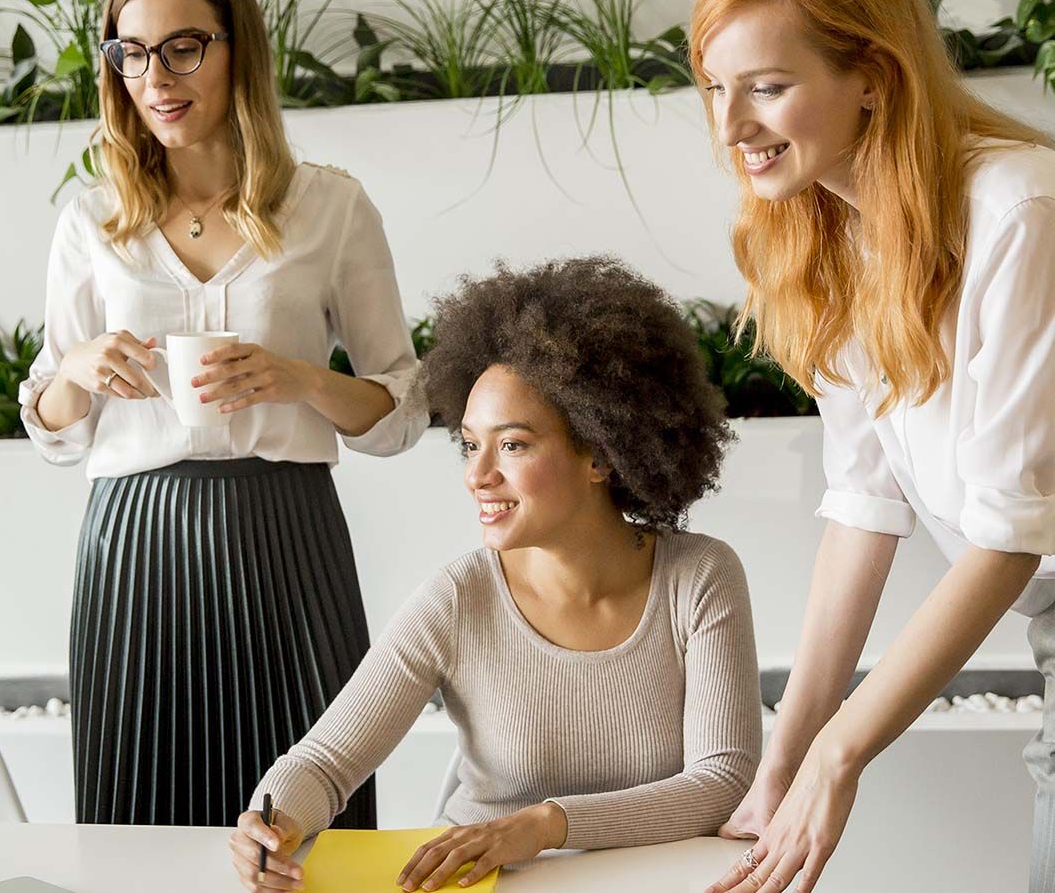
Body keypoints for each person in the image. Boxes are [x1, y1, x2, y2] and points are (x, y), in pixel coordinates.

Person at [17, 0, 427, 827]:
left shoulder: (331, 207)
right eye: (129, 53)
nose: (155, 79)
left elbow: (402, 405)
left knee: (310, 823)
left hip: (288, 534)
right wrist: (81, 370)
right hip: (136, 544)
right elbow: (53, 425)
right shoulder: (91, 219)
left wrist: (301, 380)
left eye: (182, 49)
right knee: (141, 814)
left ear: (240, 49)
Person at [227, 256, 763, 892]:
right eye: (469, 443)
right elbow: (325, 762)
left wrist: (541, 826)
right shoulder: (458, 597)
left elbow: (720, 783)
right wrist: (270, 823)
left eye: (512, 445)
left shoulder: (698, 577)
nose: (477, 475)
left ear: (600, 453)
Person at [689, 0, 1055, 890]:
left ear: (872, 80)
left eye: (767, 87)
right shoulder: (832, 239)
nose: (731, 124)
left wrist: (840, 754)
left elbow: (1010, 531)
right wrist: (788, 753)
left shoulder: (1021, 211)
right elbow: (866, 502)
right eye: (713, 88)